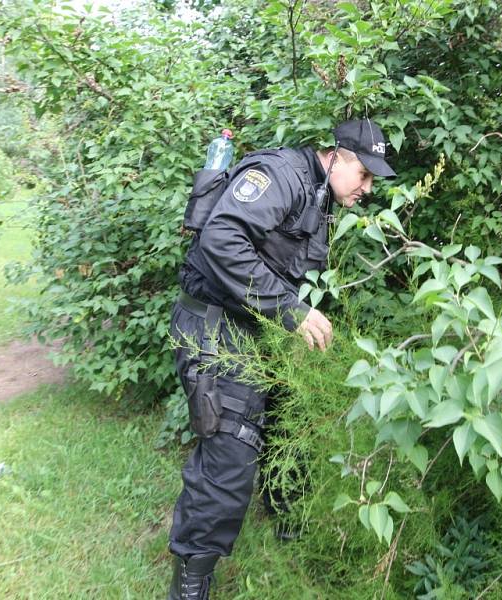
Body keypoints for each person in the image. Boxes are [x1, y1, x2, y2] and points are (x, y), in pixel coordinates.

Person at [167, 118, 396, 600]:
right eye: (365, 175)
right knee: (231, 448)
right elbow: (221, 239)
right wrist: (290, 310)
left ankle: (289, 524)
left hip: (258, 327)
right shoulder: (281, 176)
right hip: (214, 326)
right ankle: (192, 578)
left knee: (289, 422)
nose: (368, 188)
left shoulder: (319, 191)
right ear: (337, 156)